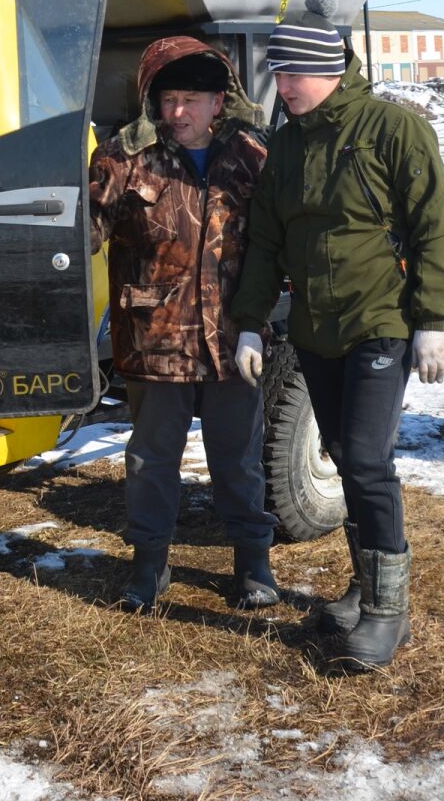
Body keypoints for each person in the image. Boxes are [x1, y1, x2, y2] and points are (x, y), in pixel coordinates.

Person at [231, 0, 444, 671]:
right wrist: (249, 324)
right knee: (338, 448)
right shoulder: (287, 146)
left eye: (291, 74)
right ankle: (365, 589)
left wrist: (431, 321)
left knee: (365, 459)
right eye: (278, 75)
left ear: (326, 70)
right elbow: (268, 241)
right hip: (316, 330)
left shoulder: (394, 132)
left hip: (379, 323)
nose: (282, 86)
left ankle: (391, 613)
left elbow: (435, 227)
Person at [89, 36, 279, 613]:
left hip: (233, 343)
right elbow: (83, 235)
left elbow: (280, 241)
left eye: (193, 98)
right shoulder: (124, 159)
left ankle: (254, 563)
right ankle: (149, 566)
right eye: (169, 98)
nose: (179, 112)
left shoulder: (252, 157)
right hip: (154, 345)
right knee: (151, 462)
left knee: (238, 461)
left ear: (219, 102)